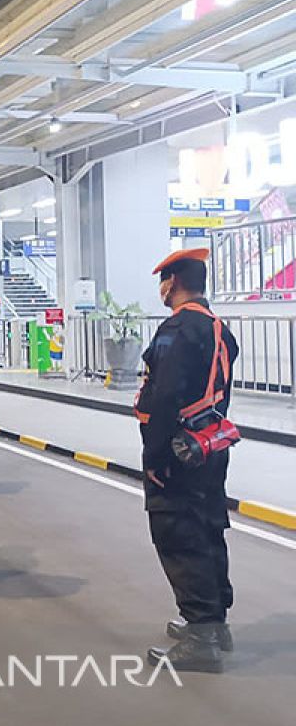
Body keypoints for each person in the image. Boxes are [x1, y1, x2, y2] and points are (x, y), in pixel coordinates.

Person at [135, 248, 239, 674]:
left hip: (178, 453)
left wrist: (153, 456)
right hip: (210, 447)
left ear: (173, 283)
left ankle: (200, 637)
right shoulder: (219, 329)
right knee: (209, 526)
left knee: (179, 534)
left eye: (163, 281)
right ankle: (215, 622)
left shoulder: (177, 329)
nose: (161, 288)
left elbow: (166, 396)